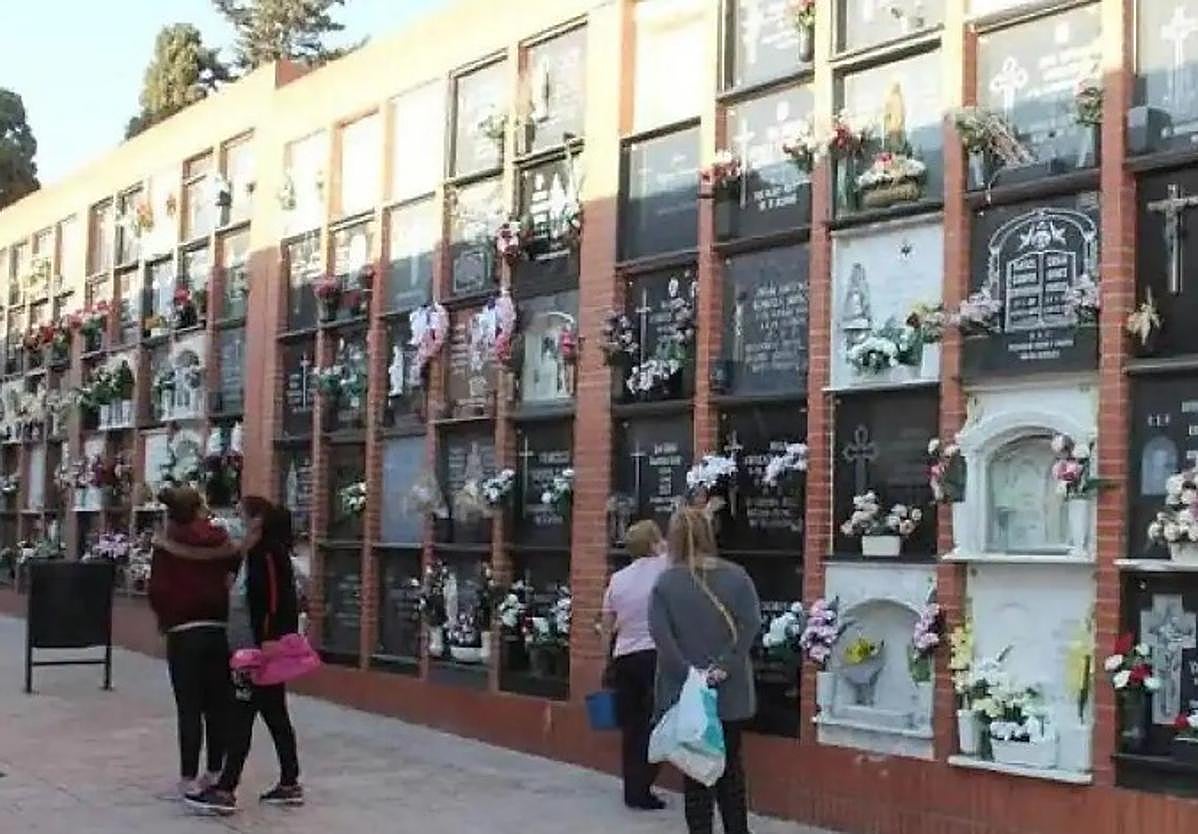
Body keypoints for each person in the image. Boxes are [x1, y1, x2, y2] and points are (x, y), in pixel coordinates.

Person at [162, 497, 304, 815]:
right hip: (248, 648)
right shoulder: (250, 554)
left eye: (241, 516)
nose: (236, 522)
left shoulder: (267, 552)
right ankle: (289, 781)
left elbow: (274, 600)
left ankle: (226, 788)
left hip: (257, 650)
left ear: (257, 520)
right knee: (273, 715)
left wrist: (269, 639)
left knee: (241, 716)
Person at [648, 506, 762, 834]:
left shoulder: (666, 584)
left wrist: (690, 674)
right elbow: (751, 624)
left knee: (696, 776)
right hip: (730, 692)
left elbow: (662, 638)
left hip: (687, 696)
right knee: (731, 771)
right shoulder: (737, 576)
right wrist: (725, 665)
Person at [147, 486, 241, 799]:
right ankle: (214, 770)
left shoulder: (167, 542)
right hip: (216, 628)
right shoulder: (219, 538)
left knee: (189, 706)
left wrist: (166, 618)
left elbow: (158, 590)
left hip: (183, 630)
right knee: (217, 705)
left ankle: (188, 775)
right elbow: (236, 564)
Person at [600, 519, 668, 811]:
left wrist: (607, 661)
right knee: (655, 723)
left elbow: (607, 625)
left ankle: (632, 788)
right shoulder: (664, 567)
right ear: (653, 542)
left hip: (624, 656)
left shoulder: (617, 579)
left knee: (631, 727)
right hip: (654, 655)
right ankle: (645, 785)